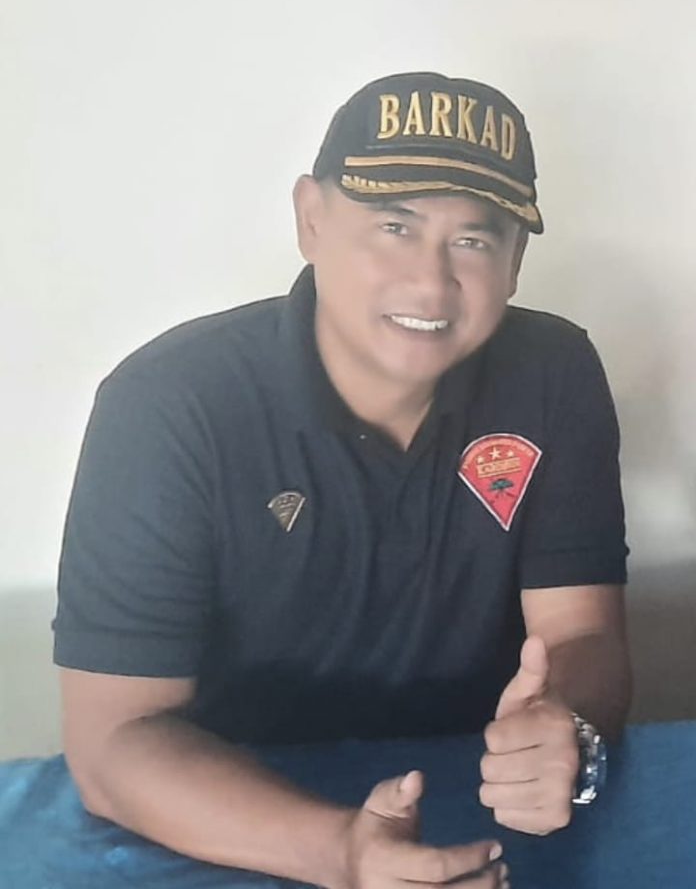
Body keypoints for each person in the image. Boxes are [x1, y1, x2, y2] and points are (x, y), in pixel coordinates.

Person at [53, 71, 632, 889]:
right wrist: (341, 853)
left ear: (515, 262)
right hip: (228, 826)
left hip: (484, 814)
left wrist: (564, 726)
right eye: (394, 225)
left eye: (473, 240)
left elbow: (582, 636)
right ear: (311, 219)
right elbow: (114, 745)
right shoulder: (168, 405)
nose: (431, 282)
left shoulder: (553, 373)